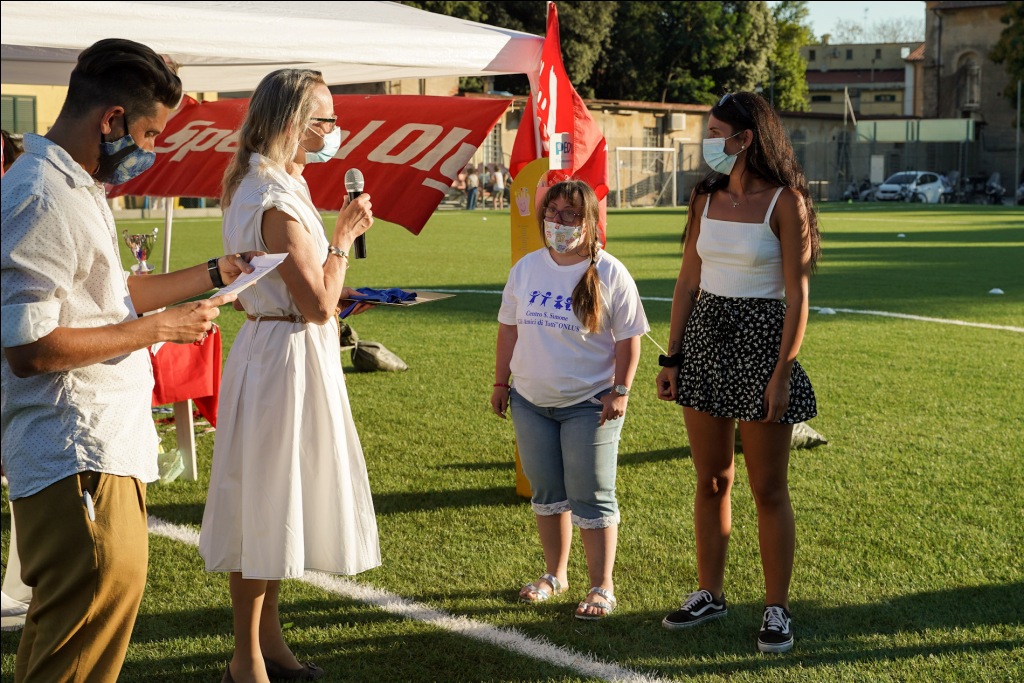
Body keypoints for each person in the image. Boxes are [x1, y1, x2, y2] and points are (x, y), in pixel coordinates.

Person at [0, 38, 257, 683]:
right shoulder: (43, 195)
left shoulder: (72, 184)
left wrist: (214, 272)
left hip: (93, 449)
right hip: (76, 453)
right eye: (149, 134)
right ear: (112, 119)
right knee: (81, 644)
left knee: (65, 640)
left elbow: (107, 296)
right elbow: (29, 348)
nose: (150, 150)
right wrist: (158, 329)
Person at [199, 68, 380, 683]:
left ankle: (269, 644)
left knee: (279, 499)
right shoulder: (273, 197)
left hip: (285, 347)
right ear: (293, 125)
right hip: (283, 359)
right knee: (263, 501)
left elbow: (300, 291)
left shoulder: (271, 184)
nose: (334, 130)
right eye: (325, 119)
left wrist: (336, 282)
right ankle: (245, 658)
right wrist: (343, 238)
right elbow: (318, 304)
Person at [655, 91, 820, 654]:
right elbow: (687, 280)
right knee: (711, 480)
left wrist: (782, 373)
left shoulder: (786, 202)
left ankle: (777, 608)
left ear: (745, 138)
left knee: (767, 488)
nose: (707, 141)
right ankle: (710, 593)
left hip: (761, 346)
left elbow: (797, 297)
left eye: (715, 132)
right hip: (704, 342)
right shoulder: (703, 196)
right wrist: (672, 357)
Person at [491, 178, 649, 620]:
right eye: (552, 212)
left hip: (589, 404)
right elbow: (509, 329)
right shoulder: (526, 268)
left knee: (591, 495)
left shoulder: (611, 272)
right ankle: (554, 575)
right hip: (530, 402)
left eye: (570, 214)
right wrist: (501, 383)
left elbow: (630, 339)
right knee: (547, 492)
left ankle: (601, 586)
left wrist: (620, 390)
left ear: (590, 221)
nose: (558, 221)